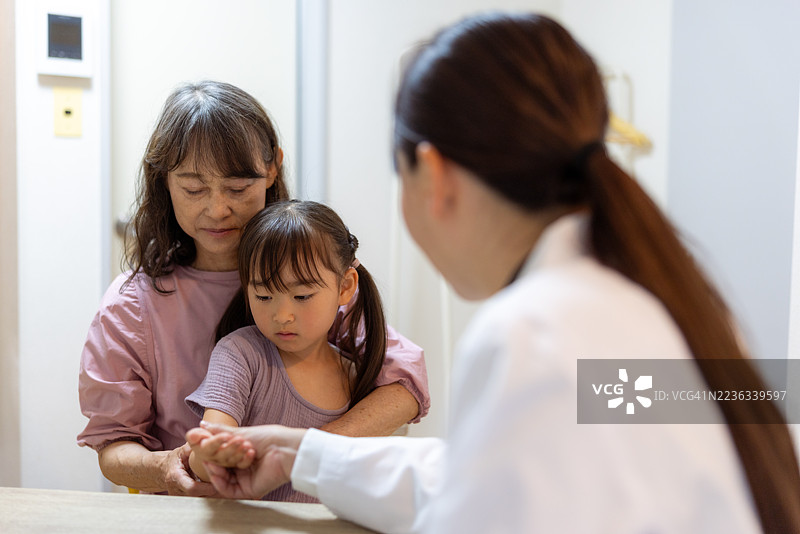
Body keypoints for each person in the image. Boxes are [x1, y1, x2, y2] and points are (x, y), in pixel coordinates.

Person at [188, 13, 800, 534]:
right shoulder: (644, 298)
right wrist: (300, 453)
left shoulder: (534, 335)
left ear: (435, 175)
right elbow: (492, 477)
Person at [77, 80, 430, 496]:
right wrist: (167, 465)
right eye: (193, 189)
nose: (217, 208)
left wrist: (303, 455)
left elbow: (405, 383)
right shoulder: (133, 305)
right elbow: (114, 445)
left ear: (272, 168)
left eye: (238, 187)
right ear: (164, 181)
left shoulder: (310, 272)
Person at [185, 200, 390, 502]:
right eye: (264, 295)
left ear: (345, 287)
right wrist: (210, 454)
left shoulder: (355, 374)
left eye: (302, 295)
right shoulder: (239, 354)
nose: (282, 315)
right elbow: (207, 454)